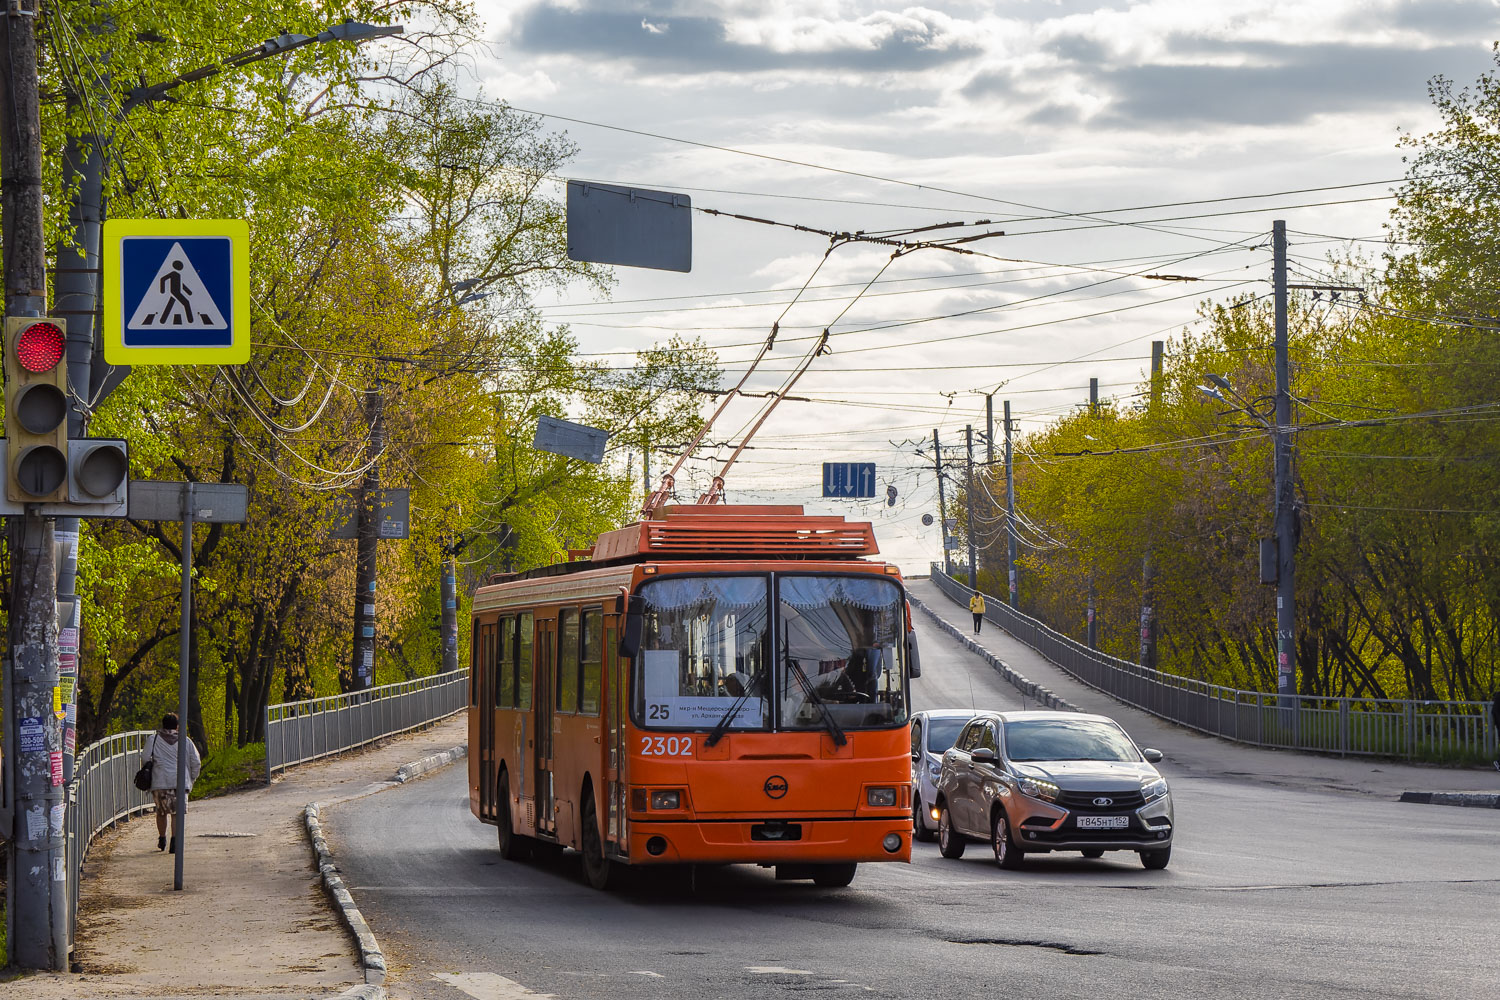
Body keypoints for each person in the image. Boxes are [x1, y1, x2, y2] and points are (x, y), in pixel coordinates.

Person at [143, 713, 202, 854]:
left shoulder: (154, 739)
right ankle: (175, 842)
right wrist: (192, 778)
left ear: (162, 725)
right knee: (177, 813)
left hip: (160, 781)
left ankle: (162, 838)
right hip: (180, 782)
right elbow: (196, 761)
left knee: (161, 812)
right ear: (177, 726)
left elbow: (145, 757)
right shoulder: (185, 741)